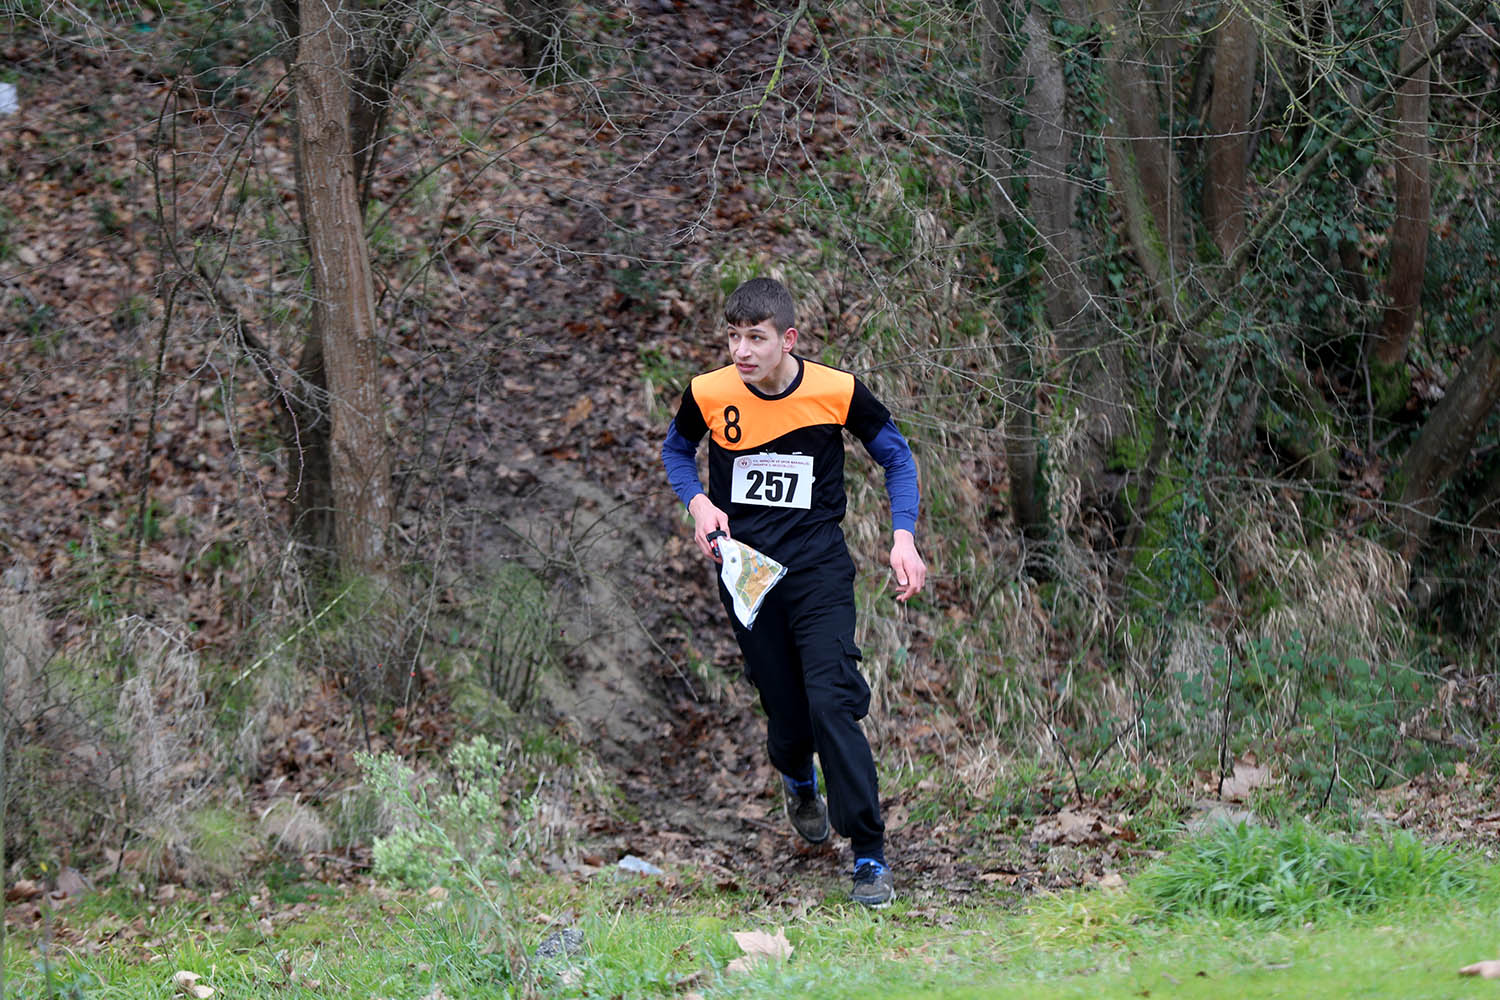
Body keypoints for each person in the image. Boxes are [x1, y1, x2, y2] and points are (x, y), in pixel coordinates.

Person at [660, 276, 926, 908]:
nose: (742, 351)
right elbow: (676, 450)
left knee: (832, 701)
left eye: (756, 338)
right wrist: (697, 502)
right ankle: (798, 781)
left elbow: (897, 457)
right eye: (733, 337)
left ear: (788, 338)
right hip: (746, 570)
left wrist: (903, 536)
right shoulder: (709, 392)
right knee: (785, 711)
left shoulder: (836, 391)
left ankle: (868, 853)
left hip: (817, 568)